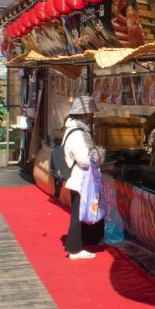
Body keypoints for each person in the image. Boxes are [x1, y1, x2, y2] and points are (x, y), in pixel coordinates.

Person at [63, 95, 104, 260]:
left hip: (80, 179)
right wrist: (100, 154)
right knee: (79, 214)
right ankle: (74, 249)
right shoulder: (78, 134)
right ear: (84, 114)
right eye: (91, 113)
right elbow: (85, 159)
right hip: (80, 179)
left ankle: (87, 240)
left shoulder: (74, 130)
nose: (92, 116)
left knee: (83, 211)